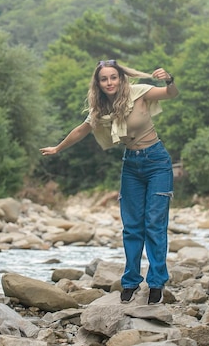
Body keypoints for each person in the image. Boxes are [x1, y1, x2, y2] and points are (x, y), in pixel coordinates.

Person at [40, 59, 179, 305]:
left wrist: (169, 79)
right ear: (98, 83)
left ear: (121, 78)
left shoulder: (140, 93)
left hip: (157, 162)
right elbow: (82, 130)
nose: (109, 82)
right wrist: (58, 148)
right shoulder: (101, 106)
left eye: (113, 77)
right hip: (132, 166)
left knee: (154, 225)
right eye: (104, 79)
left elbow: (170, 93)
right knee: (132, 227)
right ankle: (130, 282)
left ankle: (157, 283)